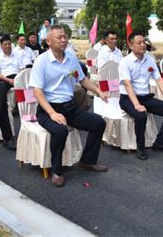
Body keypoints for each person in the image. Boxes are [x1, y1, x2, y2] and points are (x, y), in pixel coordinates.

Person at [30, 25, 109, 187]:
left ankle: (87, 161)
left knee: (98, 123)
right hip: (48, 109)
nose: (64, 40)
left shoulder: (71, 58)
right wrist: (52, 113)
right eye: (59, 37)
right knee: (60, 131)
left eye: (65, 36)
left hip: (69, 107)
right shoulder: (41, 61)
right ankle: (57, 171)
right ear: (49, 41)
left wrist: (98, 91)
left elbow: (82, 79)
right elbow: (37, 92)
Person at [119, 32, 163, 160]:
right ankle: (140, 148)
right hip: (128, 99)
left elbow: (158, 79)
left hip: (146, 97)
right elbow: (127, 85)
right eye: (139, 43)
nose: (143, 45)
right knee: (141, 116)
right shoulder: (125, 62)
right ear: (130, 45)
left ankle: (160, 143)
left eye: (144, 42)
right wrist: (137, 105)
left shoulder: (150, 60)